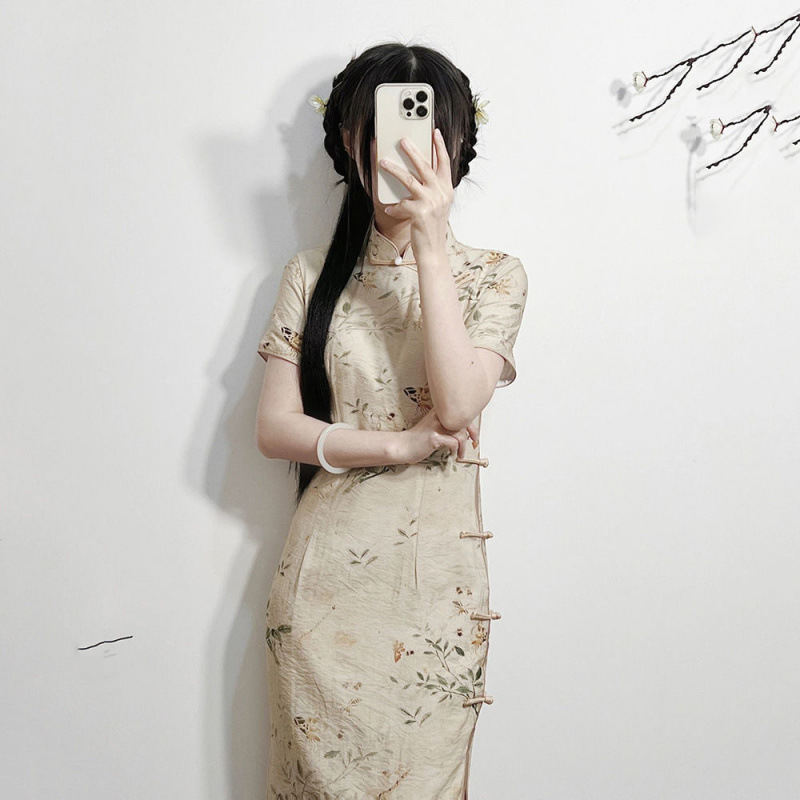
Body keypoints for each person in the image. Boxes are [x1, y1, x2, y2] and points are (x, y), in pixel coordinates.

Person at [255, 42, 528, 800]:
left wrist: (431, 242)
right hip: (321, 594)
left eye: (426, 131)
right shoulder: (310, 274)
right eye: (383, 129)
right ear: (350, 139)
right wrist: (401, 445)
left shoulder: (494, 275)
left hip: (435, 594)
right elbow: (274, 428)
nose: (404, 151)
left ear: (456, 144)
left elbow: (459, 402)